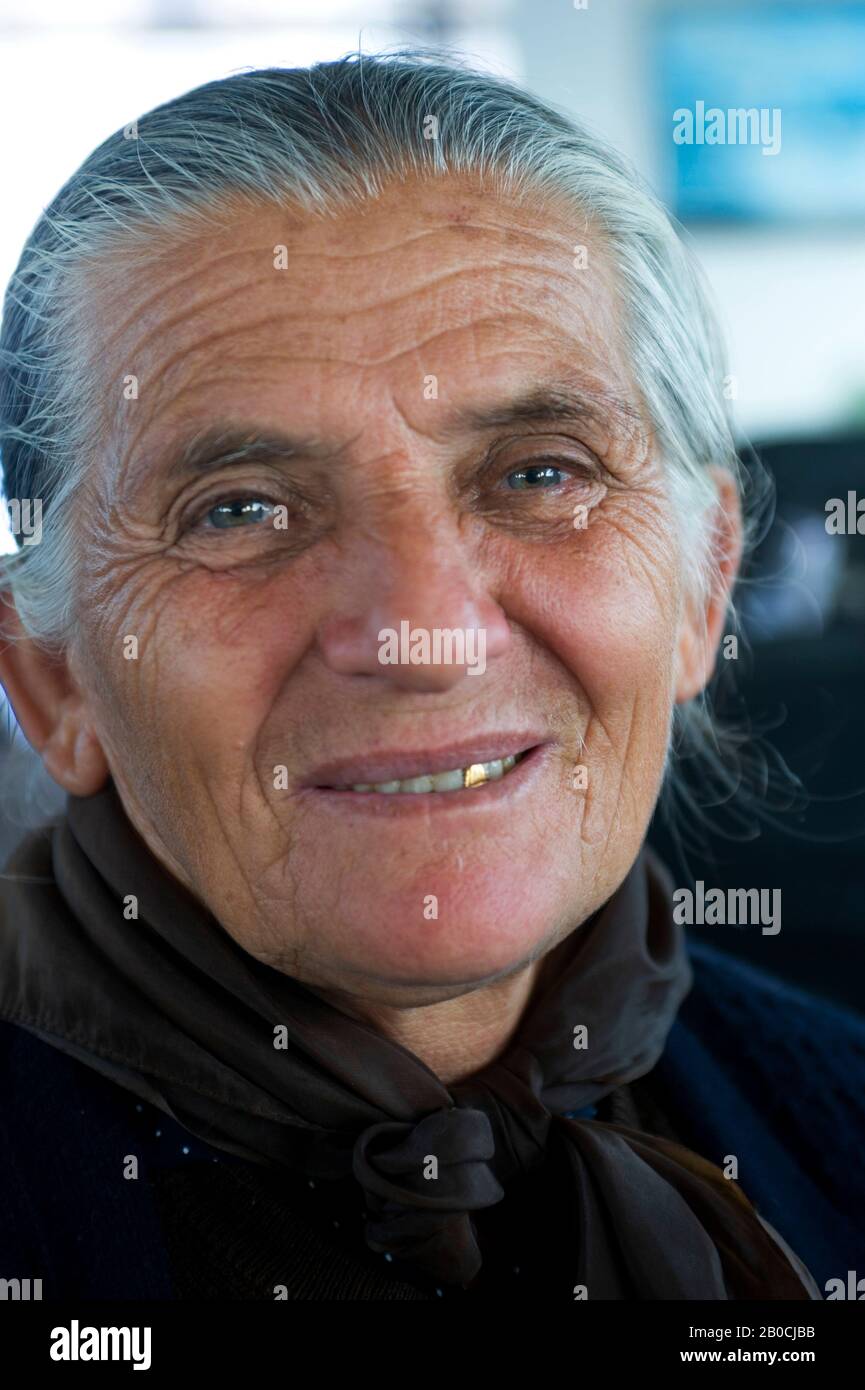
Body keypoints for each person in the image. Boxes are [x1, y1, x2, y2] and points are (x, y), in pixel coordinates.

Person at [0, 50, 862, 1302]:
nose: (425, 634)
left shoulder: (831, 1112)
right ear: (53, 681)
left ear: (700, 588)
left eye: (538, 474)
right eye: (241, 509)